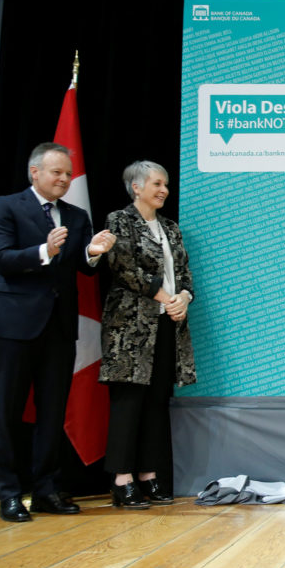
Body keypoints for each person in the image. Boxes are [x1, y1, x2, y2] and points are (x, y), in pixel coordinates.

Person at [0, 142, 117, 522]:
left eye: (68, 174)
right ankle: (8, 493)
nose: (64, 179)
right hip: (12, 326)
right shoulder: (5, 207)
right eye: (57, 172)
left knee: (53, 413)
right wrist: (44, 251)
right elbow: (1, 259)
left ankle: (46, 490)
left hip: (58, 327)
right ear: (34, 172)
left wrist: (94, 252)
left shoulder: (75, 215)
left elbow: (85, 270)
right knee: (5, 412)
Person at [100, 161, 196, 508]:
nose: (164, 190)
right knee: (129, 403)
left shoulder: (171, 228)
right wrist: (166, 297)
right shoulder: (119, 220)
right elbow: (124, 268)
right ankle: (121, 479)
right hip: (130, 328)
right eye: (157, 183)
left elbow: (184, 273)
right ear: (136, 187)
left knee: (157, 402)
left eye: (166, 184)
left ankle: (149, 475)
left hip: (167, 324)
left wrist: (182, 299)